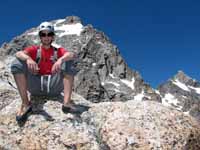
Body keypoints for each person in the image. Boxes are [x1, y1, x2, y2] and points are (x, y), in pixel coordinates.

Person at [11, 21, 78, 121]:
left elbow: (72, 55)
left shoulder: (58, 51)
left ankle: (66, 103)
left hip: (54, 87)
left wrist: (61, 59)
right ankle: (25, 104)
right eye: (43, 34)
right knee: (17, 63)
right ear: (40, 36)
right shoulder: (35, 50)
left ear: (53, 37)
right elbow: (19, 54)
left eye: (49, 34)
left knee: (69, 62)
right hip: (36, 86)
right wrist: (28, 59)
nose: (46, 37)